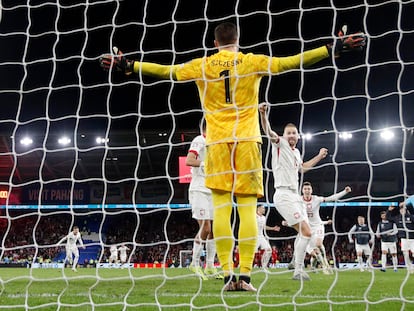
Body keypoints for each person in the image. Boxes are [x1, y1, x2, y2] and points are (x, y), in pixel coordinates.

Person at [100, 22, 365, 290]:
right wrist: (330, 49)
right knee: (248, 209)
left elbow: (166, 71)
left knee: (222, 212)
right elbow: (290, 62)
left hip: (216, 145)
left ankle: (228, 275)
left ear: (215, 44)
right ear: (238, 40)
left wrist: (130, 65)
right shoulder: (251, 61)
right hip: (248, 143)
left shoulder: (203, 65)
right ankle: (246, 276)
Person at [259, 103, 330, 281]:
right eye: (288, 133)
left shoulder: (297, 152)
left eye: (294, 133)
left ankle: (295, 266)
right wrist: (263, 114)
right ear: (284, 135)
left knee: (304, 233)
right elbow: (268, 132)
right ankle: (298, 270)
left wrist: (319, 157)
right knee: (306, 232)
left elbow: (303, 168)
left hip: (295, 196)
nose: (291, 135)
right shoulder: (280, 144)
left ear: (298, 136)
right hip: (283, 194)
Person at [186, 121, 222, 280]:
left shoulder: (215, 144)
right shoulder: (200, 139)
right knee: (206, 228)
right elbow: (189, 160)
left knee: (213, 230)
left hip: (211, 190)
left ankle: (209, 266)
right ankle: (194, 264)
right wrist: (206, 164)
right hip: (199, 189)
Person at [302, 182, 352, 274]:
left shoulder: (316, 199)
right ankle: (323, 266)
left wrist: (344, 192)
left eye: (309, 189)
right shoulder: (299, 200)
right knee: (316, 251)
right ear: (302, 191)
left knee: (318, 244)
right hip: (307, 228)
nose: (307, 191)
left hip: (318, 225)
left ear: (311, 190)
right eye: (305, 189)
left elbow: (331, 198)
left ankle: (325, 263)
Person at [387, 195, 414, 273]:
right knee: (405, 254)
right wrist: (389, 211)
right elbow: (389, 218)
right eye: (401, 210)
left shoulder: (411, 217)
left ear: (406, 210)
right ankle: (409, 268)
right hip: (404, 239)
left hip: (412, 239)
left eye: (403, 209)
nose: (402, 211)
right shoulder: (397, 218)